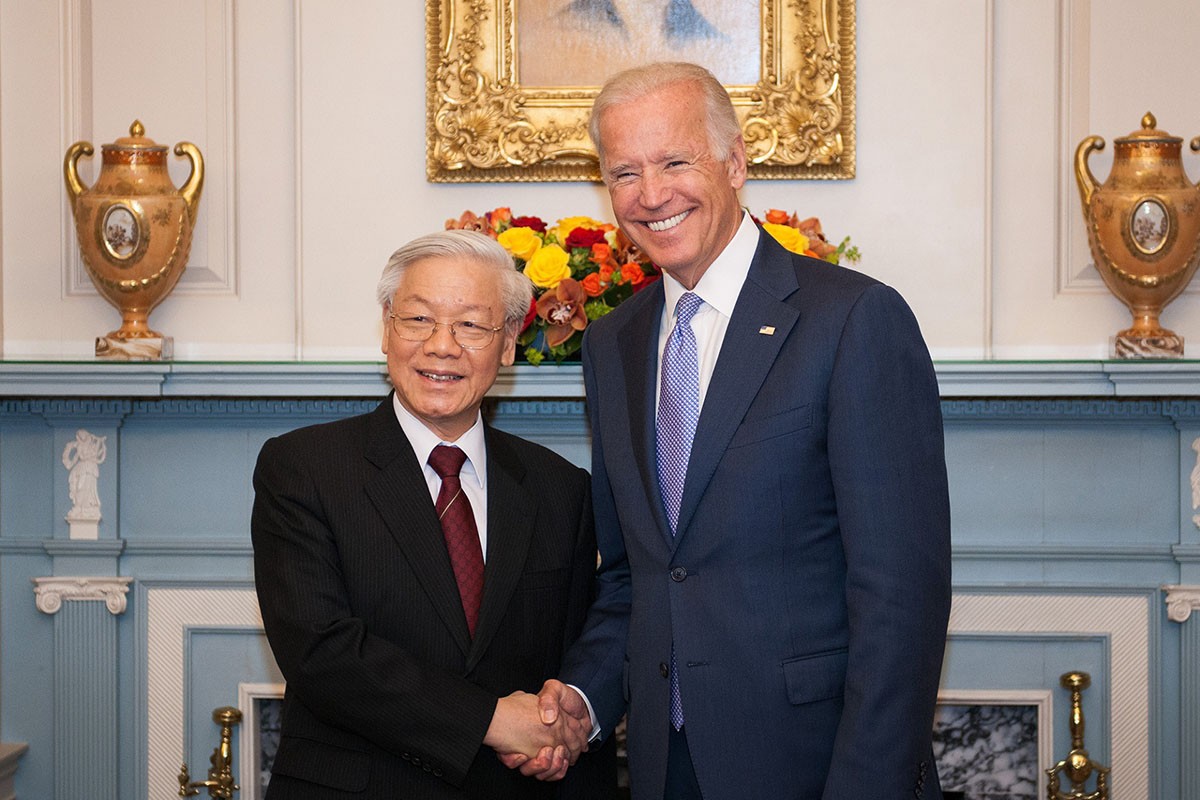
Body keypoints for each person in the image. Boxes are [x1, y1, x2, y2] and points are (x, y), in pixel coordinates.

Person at [509, 62, 953, 798]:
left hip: (819, 766)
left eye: (675, 161)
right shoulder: (612, 343)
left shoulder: (852, 321)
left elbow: (900, 593)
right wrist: (582, 703)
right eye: (624, 173)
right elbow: (636, 576)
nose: (651, 196)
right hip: (662, 766)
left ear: (737, 161)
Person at [251, 230, 616, 799]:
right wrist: (492, 721)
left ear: (509, 344)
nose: (442, 346)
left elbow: (571, 660)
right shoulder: (303, 468)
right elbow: (321, 653)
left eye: (471, 325)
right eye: (418, 319)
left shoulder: (561, 490)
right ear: (387, 328)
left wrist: (559, 733)